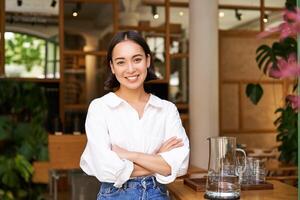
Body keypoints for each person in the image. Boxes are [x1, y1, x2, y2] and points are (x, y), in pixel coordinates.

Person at [80, 30, 190, 200]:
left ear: (147, 60)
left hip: (157, 194)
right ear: (112, 67)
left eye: (137, 59)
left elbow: (180, 165)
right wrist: (157, 161)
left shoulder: (167, 110)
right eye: (121, 62)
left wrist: (130, 155)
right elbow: (104, 167)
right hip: (115, 195)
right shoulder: (100, 108)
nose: (130, 69)